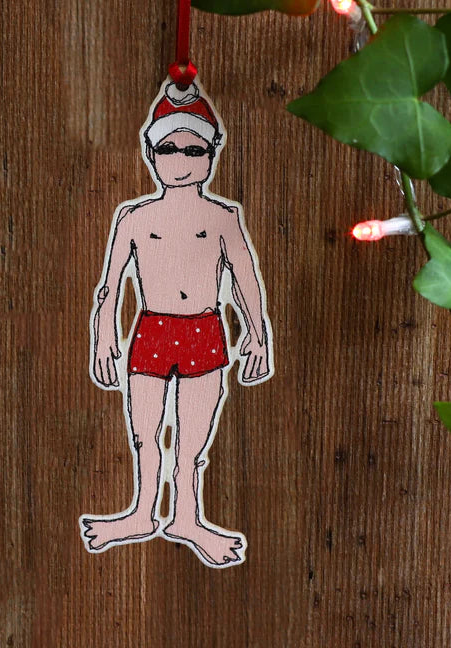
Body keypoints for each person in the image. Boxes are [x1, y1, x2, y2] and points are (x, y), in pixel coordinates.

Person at [79, 77, 273, 568]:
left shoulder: (224, 217)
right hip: (151, 331)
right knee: (145, 432)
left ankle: (187, 516)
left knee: (192, 441)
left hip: (204, 332)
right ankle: (142, 512)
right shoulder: (134, 218)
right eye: (169, 149)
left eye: (194, 150)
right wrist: (103, 336)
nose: (181, 160)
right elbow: (110, 285)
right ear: (151, 153)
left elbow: (245, 279)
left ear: (211, 155)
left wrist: (258, 334)